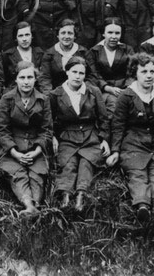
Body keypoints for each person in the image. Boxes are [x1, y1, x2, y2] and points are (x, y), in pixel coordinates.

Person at [107, 53, 154, 225]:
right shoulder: (126, 96)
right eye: (144, 72)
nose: (149, 76)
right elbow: (118, 125)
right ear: (135, 73)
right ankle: (142, 206)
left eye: (152, 72)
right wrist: (115, 150)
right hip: (134, 143)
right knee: (137, 173)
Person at [50, 56, 109, 212]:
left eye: (81, 73)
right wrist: (53, 137)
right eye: (74, 72)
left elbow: (103, 118)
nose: (77, 76)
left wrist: (104, 139)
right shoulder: (56, 94)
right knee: (68, 164)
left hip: (90, 136)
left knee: (86, 163)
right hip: (67, 136)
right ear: (67, 72)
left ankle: (80, 197)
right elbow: (49, 120)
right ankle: (65, 196)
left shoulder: (93, 91)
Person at [0, 61, 52, 218]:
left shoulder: (43, 99)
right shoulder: (7, 99)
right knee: (17, 174)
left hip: (35, 147)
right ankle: (28, 205)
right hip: (12, 148)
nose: (26, 81)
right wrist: (15, 153)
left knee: (37, 174)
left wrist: (36, 152)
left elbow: (46, 130)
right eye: (22, 77)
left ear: (35, 79)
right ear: (16, 79)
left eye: (30, 77)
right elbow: (2, 130)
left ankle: (36, 205)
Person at [87, 17, 134, 113]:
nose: (113, 36)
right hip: (102, 90)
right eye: (110, 32)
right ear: (103, 33)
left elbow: (132, 72)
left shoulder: (128, 50)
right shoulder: (94, 51)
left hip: (125, 90)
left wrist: (126, 88)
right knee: (112, 105)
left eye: (117, 33)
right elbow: (93, 74)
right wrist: (107, 88)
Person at [39, 19, 89, 95]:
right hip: (56, 93)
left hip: (79, 92)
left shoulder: (83, 52)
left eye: (70, 33)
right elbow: (45, 77)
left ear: (75, 36)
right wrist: (50, 95)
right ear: (58, 35)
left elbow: (91, 76)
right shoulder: (49, 54)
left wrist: (83, 91)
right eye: (63, 33)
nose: (66, 36)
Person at [1, 21, 44, 92]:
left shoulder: (40, 53)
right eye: (20, 36)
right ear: (16, 37)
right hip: (14, 91)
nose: (24, 39)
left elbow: (43, 77)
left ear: (32, 36)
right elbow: (5, 78)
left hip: (36, 91)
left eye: (27, 35)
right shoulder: (8, 55)